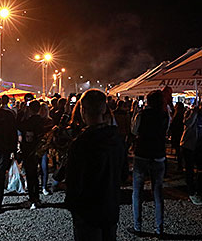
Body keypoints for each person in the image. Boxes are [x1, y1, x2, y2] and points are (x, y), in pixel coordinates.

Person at [65, 89, 127, 241]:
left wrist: (72, 204)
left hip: (88, 213)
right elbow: (124, 175)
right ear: (104, 108)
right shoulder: (116, 139)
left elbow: (74, 183)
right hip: (110, 208)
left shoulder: (80, 144)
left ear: (82, 110)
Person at [130, 90, 170, 237]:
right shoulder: (165, 115)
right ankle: (159, 229)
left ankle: (137, 227)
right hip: (159, 156)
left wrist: (135, 113)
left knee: (137, 192)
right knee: (158, 192)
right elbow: (166, 131)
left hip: (142, 155)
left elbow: (134, 131)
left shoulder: (142, 114)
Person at [18, 100, 47, 208]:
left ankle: (32, 198)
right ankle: (37, 197)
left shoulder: (28, 121)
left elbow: (19, 126)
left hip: (29, 150)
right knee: (36, 174)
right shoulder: (43, 121)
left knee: (31, 176)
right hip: (40, 149)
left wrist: (23, 112)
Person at [180, 103, 202, 205]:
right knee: (189, 169)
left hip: (199, 145)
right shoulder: (189, 113)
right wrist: (194, 112)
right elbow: (187, 123)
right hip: (188, 145)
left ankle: (198, 188)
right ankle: (191, 191)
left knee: (199, 168)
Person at [169, 102, 185, 170]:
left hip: (177, 134)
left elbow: (173, 126)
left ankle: (180, 166)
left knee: (178, 151)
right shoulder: (183, 115)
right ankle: (181, 165)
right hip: (181, 134)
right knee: (180, 151)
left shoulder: (177, 115)